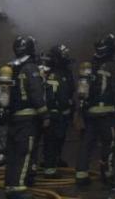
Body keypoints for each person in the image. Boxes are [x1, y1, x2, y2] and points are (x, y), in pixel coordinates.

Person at [0, 35, 47, 199]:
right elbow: (36, 93)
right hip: (28, 120)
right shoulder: (31, 68)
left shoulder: (10, 67)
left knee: (12, 154)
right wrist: (44, 115)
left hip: (13, 117)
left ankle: (10, 185)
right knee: (24, 153)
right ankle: (18, 188)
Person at [75, 34, 115, 185]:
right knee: (109, 143)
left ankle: (81, 175)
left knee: (87, 143)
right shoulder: (113, 67)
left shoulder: (91, 65)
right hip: (106, 113)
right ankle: (107, 173)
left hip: (90, 113)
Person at [41, 44, 75, 177]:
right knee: (51, 141)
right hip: (54, 113)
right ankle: (49, 169)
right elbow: (51, 96)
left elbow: (70, 89)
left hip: (64, 113)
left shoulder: (65, 72)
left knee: (60, 139)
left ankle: (55, 160)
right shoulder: (51, 74)